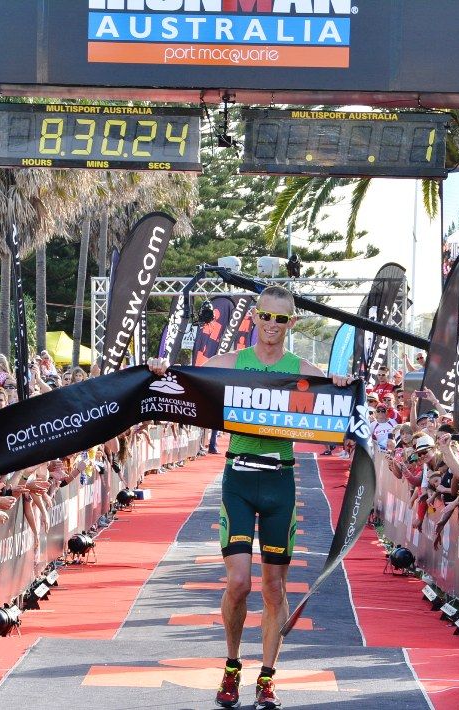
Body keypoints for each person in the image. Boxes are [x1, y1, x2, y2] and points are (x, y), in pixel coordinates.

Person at [148, 285, 355, 710]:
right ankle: (231, 666)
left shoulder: (303, 368)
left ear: (291, 323)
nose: (273, 325)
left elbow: (338, 396)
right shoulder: (232, 363)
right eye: (267, 317)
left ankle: (267, 677)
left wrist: (339, 382)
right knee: (239, 583)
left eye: (282, 319)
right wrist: (160, 368)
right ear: (255, 318)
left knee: (275, 589)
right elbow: (185, 376)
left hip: (280, 483)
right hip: (239, 479)